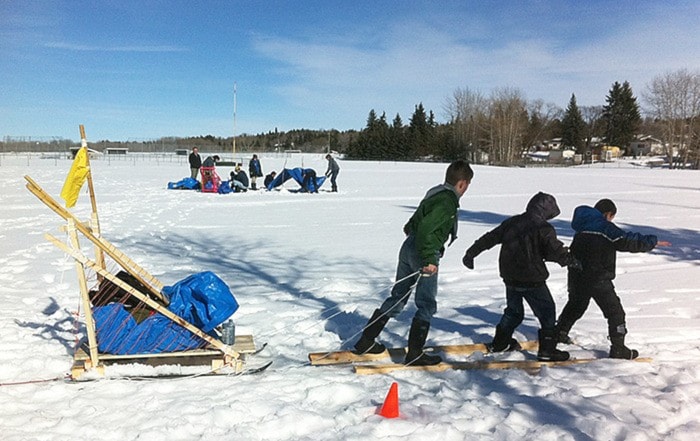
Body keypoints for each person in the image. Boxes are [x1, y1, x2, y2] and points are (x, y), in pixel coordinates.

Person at [353, 160, 474, 366]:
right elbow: (427, 228)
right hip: (423, 251)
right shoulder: (447, 201)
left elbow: (416, 219)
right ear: (462, 183)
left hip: (409, 246)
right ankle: (415, 354)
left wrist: (411, 230)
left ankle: (366, 341)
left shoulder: (435, 192)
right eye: (468, 185)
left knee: (399, 297)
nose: (467, 189)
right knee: (426, 304)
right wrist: (428, 259)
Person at [462, 192, 580, 362]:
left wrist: (471, 253)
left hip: (510, 277)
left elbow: (491, 238)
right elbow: (554, 251)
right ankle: (547, 351)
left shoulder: (512, 222)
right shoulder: (543, 228)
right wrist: (571, 260)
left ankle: (500, 343)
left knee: (514, 312)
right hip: (532, 279)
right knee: (547, 312)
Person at [555, 199, 670, 359]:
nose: (611, 220)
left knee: (576, 305)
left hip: (576, 275)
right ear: (607, 214)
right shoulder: (604, 227)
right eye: (611, 217)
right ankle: (618, 349)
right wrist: (652, 242)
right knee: (615, 312)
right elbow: (626, 240)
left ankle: (559, 333)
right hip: (598, 277)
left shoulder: (581, 228)